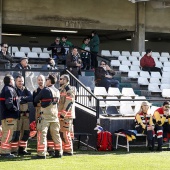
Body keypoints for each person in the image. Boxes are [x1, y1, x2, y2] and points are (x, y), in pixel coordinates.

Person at [33, 74, 62, 159]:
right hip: (54, 116)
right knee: (56, 135)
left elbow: (35, 99)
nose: (45, 81)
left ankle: (41, 154)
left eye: (46, 79)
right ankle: (58, 152)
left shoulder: (45, 90)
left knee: (42, 134)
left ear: (49, 81)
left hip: (45, 116)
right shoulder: (57, 91)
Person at [0, 75, 20, 158]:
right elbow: (9, 104)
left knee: (7, 134)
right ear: (10, 81)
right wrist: (16, 110)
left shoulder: (6, 89)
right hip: (9, 116)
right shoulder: (9, 90)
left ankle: (6, 151)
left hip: (7, 116)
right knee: (8, 134)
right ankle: (5, 152)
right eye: (13, 79)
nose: (14, 81)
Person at [15, 75, 33, 155]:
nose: (21, 83)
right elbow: (16, 100)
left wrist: (22, 98)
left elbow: (31, 97)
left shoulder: (25, 89)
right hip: (18, 115)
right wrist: (23, 98)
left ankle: (22, 149)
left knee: (25, 132)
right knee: (17, 133)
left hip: (26, 115)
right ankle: (15, 150)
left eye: (22, 81)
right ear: (16, 82)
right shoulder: (14, 89)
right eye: (19, 81)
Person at [58, 74, 75, 156]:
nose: (59, 80)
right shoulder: (61, 89)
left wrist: (63, 114)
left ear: (65, 80)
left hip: (66, 116)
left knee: (65, 133)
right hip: (61, 115)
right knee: (62, 133)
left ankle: (68, 150)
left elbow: (69, 103)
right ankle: (64, 149)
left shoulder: (69, 90)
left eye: (61, 79)